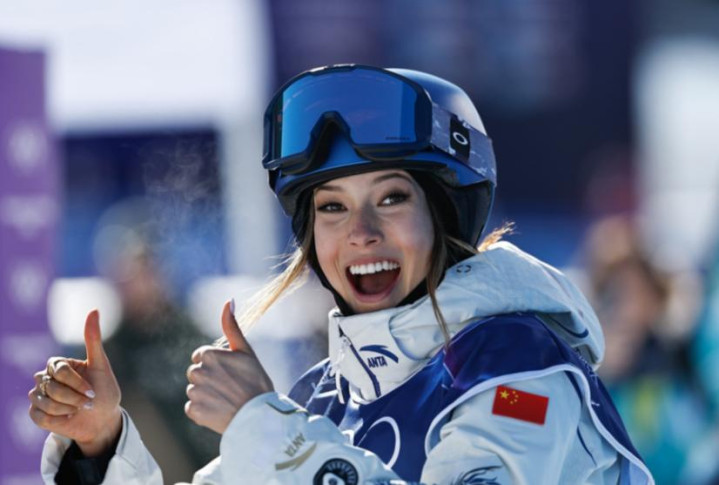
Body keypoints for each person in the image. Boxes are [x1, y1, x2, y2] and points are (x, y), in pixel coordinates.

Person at [28, 65, 654, 484]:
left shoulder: (521, 372)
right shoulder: (322, 400)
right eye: (331, 208)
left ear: (446, 215)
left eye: (392, 198)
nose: (361, 232)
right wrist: (99, 444)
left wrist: (263, 426)